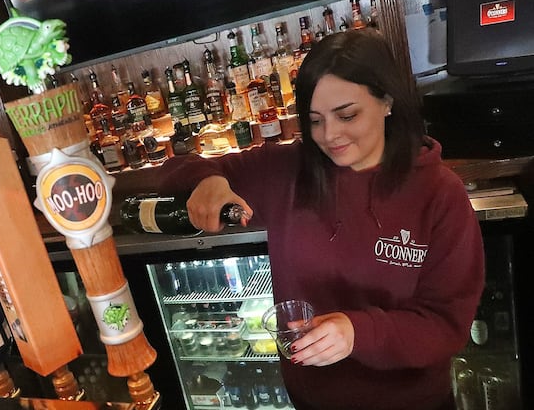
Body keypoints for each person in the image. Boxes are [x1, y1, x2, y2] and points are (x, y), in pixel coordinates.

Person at [157, 29, 484, 410]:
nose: (329, 135)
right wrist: (208, 181)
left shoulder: (438, 192)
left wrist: (357, 332)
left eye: (347, 115)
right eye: (315, 120)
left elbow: (446, 324)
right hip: (312, 397)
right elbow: (174, 168)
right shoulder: (286, 169)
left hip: (410, 400)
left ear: (388, 101)